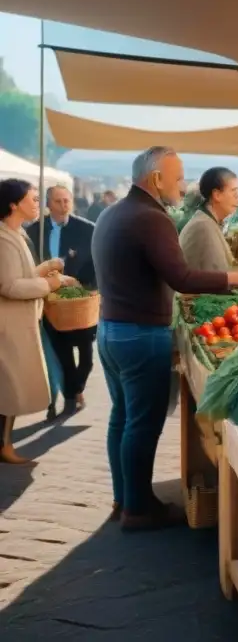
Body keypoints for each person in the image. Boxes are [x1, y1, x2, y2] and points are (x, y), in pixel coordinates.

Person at [92, 147, 238, 530]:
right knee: (141, 423)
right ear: (156, 179)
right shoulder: (151, 219)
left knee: (121, 418)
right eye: (177, 178)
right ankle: (138, 510)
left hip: (110, 331)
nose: (183, 185)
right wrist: (236, 278)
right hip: (140, 335)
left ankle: (124, 498)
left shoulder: (112, 213)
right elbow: (183, 278)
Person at [0, 179, 73, 463]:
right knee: (9, 388)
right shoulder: (4, 239)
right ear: (13, 204)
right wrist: (49, 285)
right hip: (9, 327)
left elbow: (22, 276)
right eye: (31, 199)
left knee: (10, 387)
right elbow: (8, 285)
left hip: (19, 325)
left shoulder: (15, 234)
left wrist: (45, 269)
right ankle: (5, 447)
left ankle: (5, 444)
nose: (36, 204)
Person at [29, 184, 97, 418]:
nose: (63, 205)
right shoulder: (35, 231)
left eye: (66, 200)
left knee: (87, 359)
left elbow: (97, 263)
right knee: (63, 354)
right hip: (51, 302)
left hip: (81, 301)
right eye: (58, 201)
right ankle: (70, 398)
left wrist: (89, 287)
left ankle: (75, 388)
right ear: (48, 204)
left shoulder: (87, 229)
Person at [179, 167, 238, 271]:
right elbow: (218, 277)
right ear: (217, 195)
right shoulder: (203, 226)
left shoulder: (208, 221)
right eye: (233, 191)